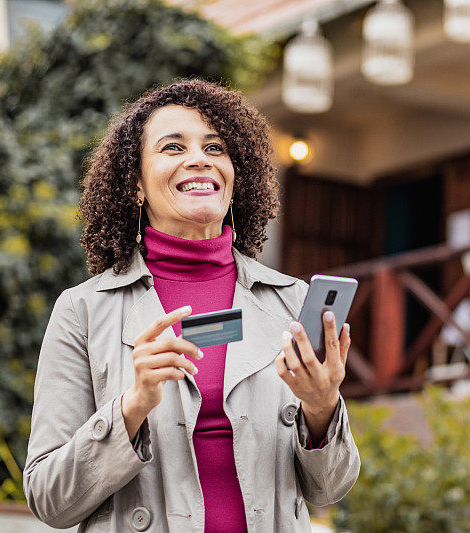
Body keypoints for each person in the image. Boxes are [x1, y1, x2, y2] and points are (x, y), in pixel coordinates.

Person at [23, 79, 360, 532]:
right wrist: (132, 406)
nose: (199, 158)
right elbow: (50, 498)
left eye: (216, 147)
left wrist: (322, 408)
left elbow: (330, 489)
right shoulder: (83, 311)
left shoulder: (290, 301)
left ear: (236, 178)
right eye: (172, 147)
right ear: (136, 184)